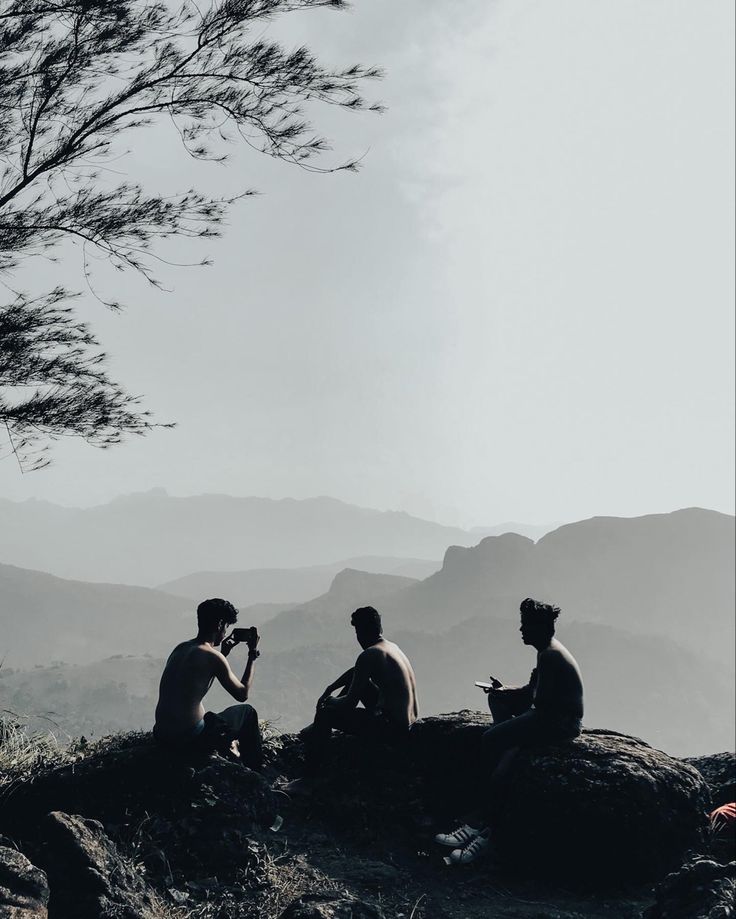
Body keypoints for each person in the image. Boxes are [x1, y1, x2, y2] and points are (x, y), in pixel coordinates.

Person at [435, 597, 584, 865]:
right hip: (550, 718)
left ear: (538, 626)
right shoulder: (547, 652)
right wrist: (504, 691)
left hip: (559, 723)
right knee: (497, 699)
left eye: (525, 624)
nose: (521, 630)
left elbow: (541, 707)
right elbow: (530, 694)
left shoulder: (550, 656)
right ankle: (498, 776)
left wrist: (512, 737)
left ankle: (482, 822)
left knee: (492, 740)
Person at [284, 606, 418, 793]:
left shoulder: (368, 655)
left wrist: (329, 701)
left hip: (391, 730)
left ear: (360, 632)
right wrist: (331, 687)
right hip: (407, 722)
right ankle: (316, 729)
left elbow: (349, 703)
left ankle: (309, 778)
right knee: (356, 685)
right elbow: (357, 674)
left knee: (326, 714)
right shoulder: (391, 647)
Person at [153, 597, 263, 770]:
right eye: (226, 626)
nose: (226, 632)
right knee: (247, 712)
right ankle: (256, 772)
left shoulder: (181, 648)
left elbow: (196, 678)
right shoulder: (213, 657)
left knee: (212, 717)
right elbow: (242, 694)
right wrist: (252, 655)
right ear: (220, 624)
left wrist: (223, 653)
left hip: (162, 734)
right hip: (189, 737)